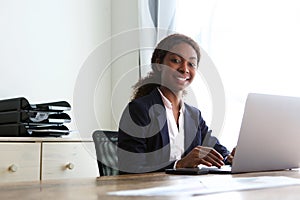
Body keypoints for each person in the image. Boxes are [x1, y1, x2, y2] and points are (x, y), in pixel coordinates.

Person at [117, 33, 234, 174]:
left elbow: (216, 148)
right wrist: (178, 165)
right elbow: (130, 168)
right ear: (159, 64)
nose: (184, 68)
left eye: (191, 64)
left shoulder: (194, 115)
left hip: (187, 192)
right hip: (152, 193)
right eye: (176, 60)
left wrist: (230, 157)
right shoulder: (139, 110)